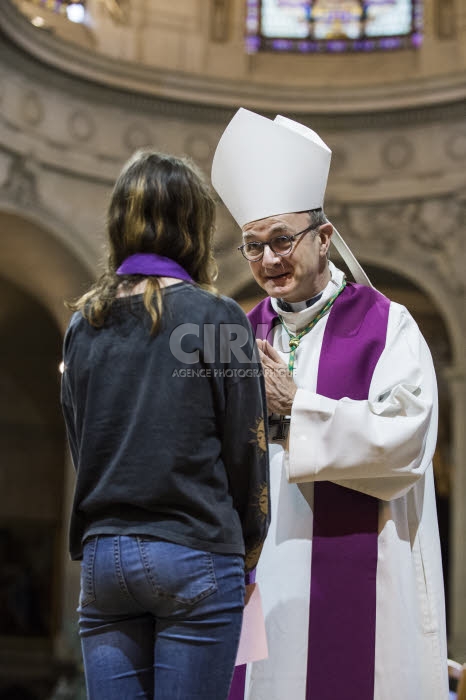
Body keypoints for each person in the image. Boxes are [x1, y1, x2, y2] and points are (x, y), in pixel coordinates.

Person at [211, 108, 449, 700]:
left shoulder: (386, 325)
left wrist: (297, 409)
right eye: (253, 246)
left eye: (282, 240)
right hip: (262, 581)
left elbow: (408, 439)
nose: (268, 261)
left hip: (364, 576)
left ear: (323, 238)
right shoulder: (236, 333)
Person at [60, 149, 270, 700]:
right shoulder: (220, 317)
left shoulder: (83, 325)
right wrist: (248, 553)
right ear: (195, 227)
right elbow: (247, 447)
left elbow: (84, 447)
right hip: (195, 551)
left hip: (105, 560)